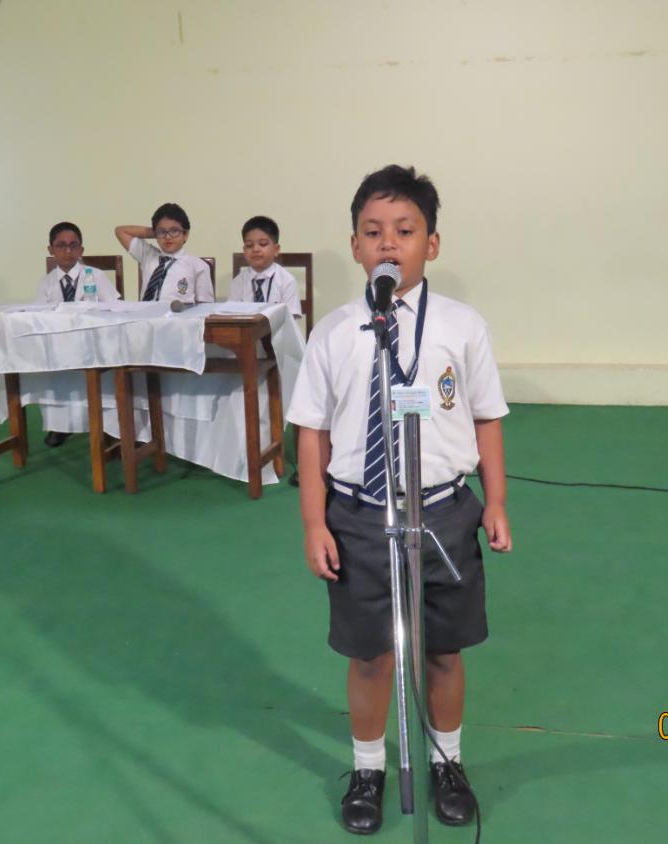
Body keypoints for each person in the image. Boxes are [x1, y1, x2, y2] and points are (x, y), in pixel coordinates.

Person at [286, 164, 512, 835]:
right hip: (359, 515)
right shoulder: (333, 333)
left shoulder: (462, 326)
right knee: (370, 654)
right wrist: (313, 521)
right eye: (373, 231)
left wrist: (495, 501)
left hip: (443, 509)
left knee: (443, 649)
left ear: (431, 244)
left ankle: (447, 761)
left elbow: (487, 417)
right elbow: (311, 432)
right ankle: (367, 768)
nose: (389, 243)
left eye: (405, 231)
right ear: (355, 245)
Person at [35, 221, 120, 447]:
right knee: (52, 368)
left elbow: (115, 309)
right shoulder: (46, 283)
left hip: (94, 343)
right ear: (51, 249)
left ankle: (108, 426)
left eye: (73, 245)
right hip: (60, 345)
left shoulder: (96, 275)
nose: (68, 251)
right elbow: (40, 315)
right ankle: (60, 425)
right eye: (61, 245)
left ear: (81, 249)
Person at [114, 203, 214, 304]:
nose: (168, 237)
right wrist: (156, 232)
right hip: (146, 313)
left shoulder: (198, 265)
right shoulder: (147, 255)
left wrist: (162, 232)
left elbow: (205, 306)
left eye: (174, 231)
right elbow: (120, 231)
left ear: (186, 234)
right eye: (162, 232)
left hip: (179, 314)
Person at [227, 215, 303, 318]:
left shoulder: (287, 281)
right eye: (249, 245)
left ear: (276, 250)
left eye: (263, 244)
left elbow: (291, 318)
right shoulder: (238, 282)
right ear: (244, 251)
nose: (255, 249)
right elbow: (231, 316)